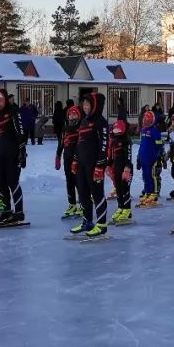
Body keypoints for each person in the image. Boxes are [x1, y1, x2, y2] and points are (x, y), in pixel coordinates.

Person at [70, 92, 109, 238]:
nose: (85, 107)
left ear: (94, 106)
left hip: (95, 165)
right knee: (83, 193)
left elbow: (104, 145)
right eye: (83, 105)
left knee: (97, 193)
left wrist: (100, 165)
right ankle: (87, 221)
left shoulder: (101, 122)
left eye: (87, 104)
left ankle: (102, 225)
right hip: (82, 165)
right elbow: (79, 143)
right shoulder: (84, 121)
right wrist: (75, 159)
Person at [0, 89, 27, 226]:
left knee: (12, 181)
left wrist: (22, 151)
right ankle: (7, 210)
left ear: (4, 100)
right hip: (1, 152)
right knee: (1, 182)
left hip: (13, 152)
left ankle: (19, 212)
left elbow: (21, 132)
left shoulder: (13, 112)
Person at [55, 105, 83, 218]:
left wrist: (77, 159)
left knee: (78, 182)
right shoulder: (65, 128)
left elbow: (82, 144)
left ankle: (82, 205)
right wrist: (57, 156)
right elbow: (61, 143)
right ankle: (72, 205)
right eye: (70, 114)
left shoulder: (81, 127)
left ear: (78, 115)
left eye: (74, 113)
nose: (72, 116)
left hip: (78, 160)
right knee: (69, 182)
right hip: (67, 158)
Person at [137, 109, 164, 207]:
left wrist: (158, 156)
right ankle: (147, 192)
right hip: (143, 158)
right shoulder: (143, 130)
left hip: (152, 158)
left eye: (147, 120)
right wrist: (138, 157)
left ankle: (153, 194)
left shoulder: (155, 131)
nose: (145, 122)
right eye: (144, 120)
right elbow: (141, 145)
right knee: (145, 176)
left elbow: (159, 146)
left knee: (152, 176)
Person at [109, 120, 134, 225]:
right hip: (117, 168)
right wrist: (109, 165)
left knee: (125, 189)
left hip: (126, 169)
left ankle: (127, 210)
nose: (116, 132)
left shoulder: (126, 140)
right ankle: (121, 207)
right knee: (118, 188)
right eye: (115, 130)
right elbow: (112, 155)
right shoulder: (114, 140)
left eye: (118, 130)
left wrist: (128, 167)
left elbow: (129, 154)